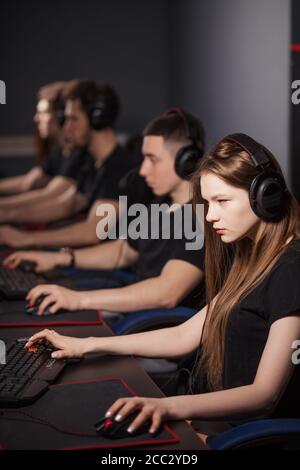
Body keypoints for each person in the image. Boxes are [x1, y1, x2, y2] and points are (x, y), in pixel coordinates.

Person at [24, 133, 300, 442]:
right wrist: (85, 345)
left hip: (248, 437)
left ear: (266, 196)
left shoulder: (291, 269)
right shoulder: (250, 257)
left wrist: (167, 407)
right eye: (207, 203)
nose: (210, 216)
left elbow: (264, 395)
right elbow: (185, 335)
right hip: (218, 423)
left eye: (222, 201)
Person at [4, 109, 206, 316]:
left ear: (186, 162)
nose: (143, 170)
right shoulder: (164, 202)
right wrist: (59, 258)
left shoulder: (202, 218)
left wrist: (79, 300)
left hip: (156, 326)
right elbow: (124, 252)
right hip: (135, 309)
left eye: (152, 159)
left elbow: (166, 294)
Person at [0, 79, 136, 247]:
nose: (66, 128)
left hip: (117, 267)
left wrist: (24, 238)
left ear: (96, 119)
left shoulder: (118, 167)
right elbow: (66, 204)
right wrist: (7, 214)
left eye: (73, 119)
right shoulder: (93, 163)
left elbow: (92, 232)